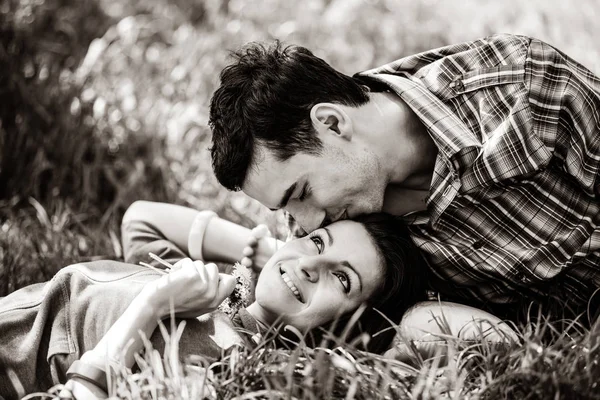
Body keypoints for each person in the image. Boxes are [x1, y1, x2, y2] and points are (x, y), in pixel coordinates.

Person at [208, 33, 600, 316]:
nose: (306, 224)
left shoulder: (522, 89)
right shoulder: (337, 233)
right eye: (288, 208)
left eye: (303, 192)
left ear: (331, 122)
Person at [0, 201, 433, 399]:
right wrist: (267, 254)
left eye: (341, 277)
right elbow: (142, 221)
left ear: (350, 332)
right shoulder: (220, 292)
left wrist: (155, 302)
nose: (309, 265)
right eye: (318, 241)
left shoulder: (228, 367)